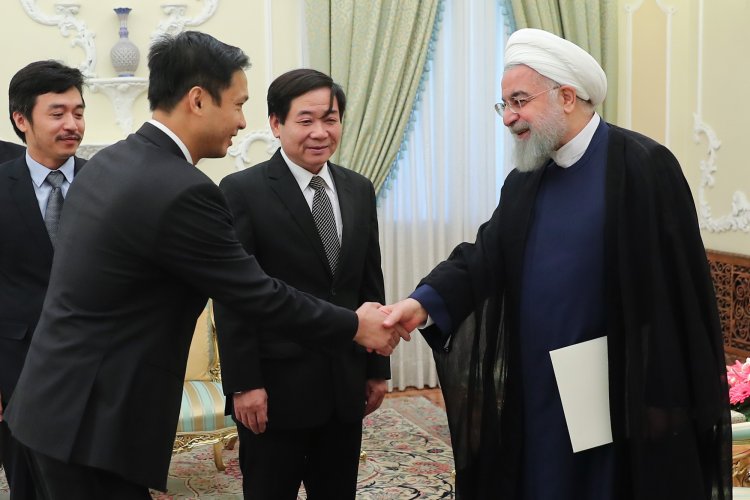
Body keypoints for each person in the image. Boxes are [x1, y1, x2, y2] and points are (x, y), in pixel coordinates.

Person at [4, 31, 404, 499]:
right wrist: (354, 325)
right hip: (93, 422)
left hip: (53, 406)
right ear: (197, 100)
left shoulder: (113, 161)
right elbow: (255, 293)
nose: (241, 121)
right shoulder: (181, 189)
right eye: (237, 104)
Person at [383, 28, 731, 500]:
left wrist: (662, 397)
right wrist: (421, 303)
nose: (509, 117)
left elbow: (677, 293)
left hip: (619, 388)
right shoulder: (525, 180)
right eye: (504, 105)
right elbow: (483, 257)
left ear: (567, 97)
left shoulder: (642, 166)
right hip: (537, 385)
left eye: (519, 101)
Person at [214, 68, 390, 499]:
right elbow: (234, 298)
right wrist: (244, 383)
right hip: (275, 391)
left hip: (343, 385)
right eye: (306, 120)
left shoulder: (358, 189)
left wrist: (376, 369)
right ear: (276, 124)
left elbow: (370, 284)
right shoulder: (242, 191)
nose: (320, 132)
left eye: (330, 119)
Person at [0, 60, 86, 500]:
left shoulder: (106, 184)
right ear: (21, 119)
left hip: (96, 370)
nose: (72, 124)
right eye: (58, 113)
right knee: (29, 486)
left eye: (78, 112)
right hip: (17, 367)